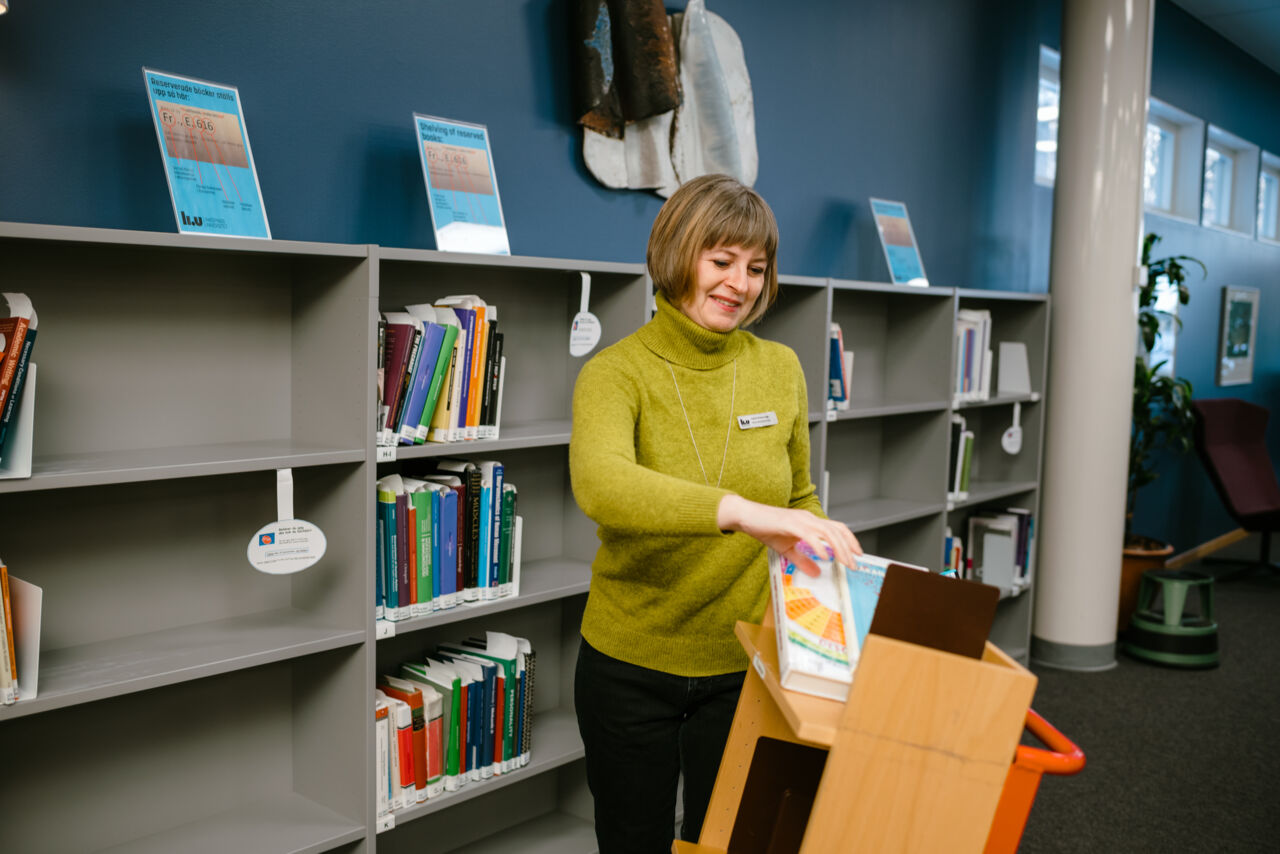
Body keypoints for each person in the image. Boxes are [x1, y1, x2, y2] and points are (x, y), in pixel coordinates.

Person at [569, 173, 861, 853]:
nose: (741, 284)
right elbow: (603, 485)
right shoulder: (615, 373)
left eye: (756, 268)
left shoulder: (780, 368)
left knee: (729, 841)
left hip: (744, 661)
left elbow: (796, 496)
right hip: (629, 664)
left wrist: (818, 542)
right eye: (722, 261)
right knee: (633, 841)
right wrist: (741, 513)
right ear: (678, 255)